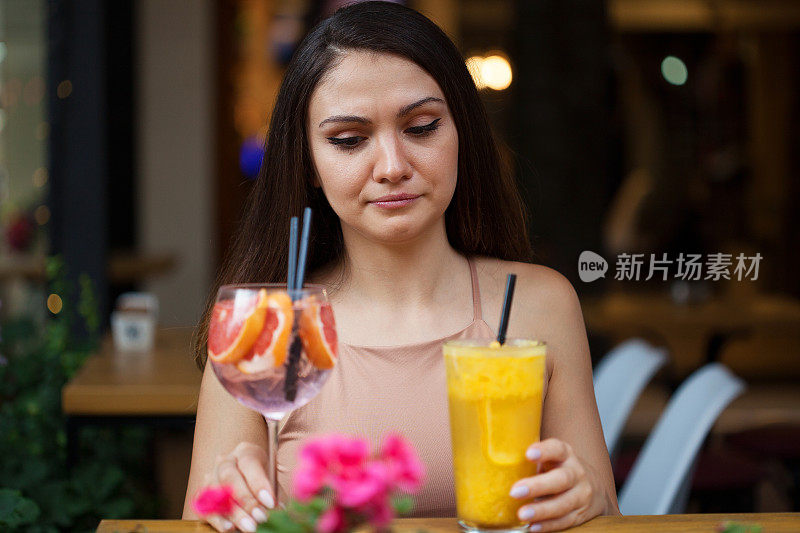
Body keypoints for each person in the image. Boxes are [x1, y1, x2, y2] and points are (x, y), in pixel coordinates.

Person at [184, 2, 619, 531]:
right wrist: (229, 507)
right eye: (349, 140)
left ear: (462, 133)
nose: (392, 167)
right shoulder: (263, 322)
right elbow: (201, 518)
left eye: (422, 127)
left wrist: (582, 496)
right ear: (310, 163)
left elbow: (603, 512)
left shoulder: (538, 304)